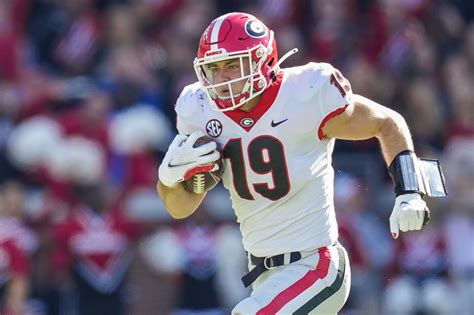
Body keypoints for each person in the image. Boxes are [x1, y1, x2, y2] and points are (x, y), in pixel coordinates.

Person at [157, 12, 436, 314]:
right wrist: (168, 179)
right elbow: (179, 207)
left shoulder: (305, 92)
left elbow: (387, 123)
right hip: (263, 274)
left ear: (262, 61)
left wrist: (409, 190)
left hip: (316, 265)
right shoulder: (198, 110)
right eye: (213, 68)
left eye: (232, 65)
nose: (222, 79)